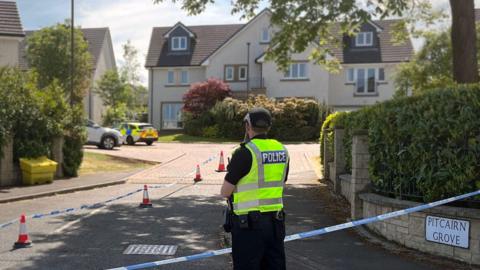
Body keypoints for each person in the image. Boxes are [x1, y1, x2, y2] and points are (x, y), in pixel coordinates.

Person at [220, 107, 289, 270]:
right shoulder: (282, 150)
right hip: (276, 224)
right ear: (269, 126)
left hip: (248, 227)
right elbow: (282, 182)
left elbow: (225, 192)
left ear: (247, 126)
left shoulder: (245, 152)